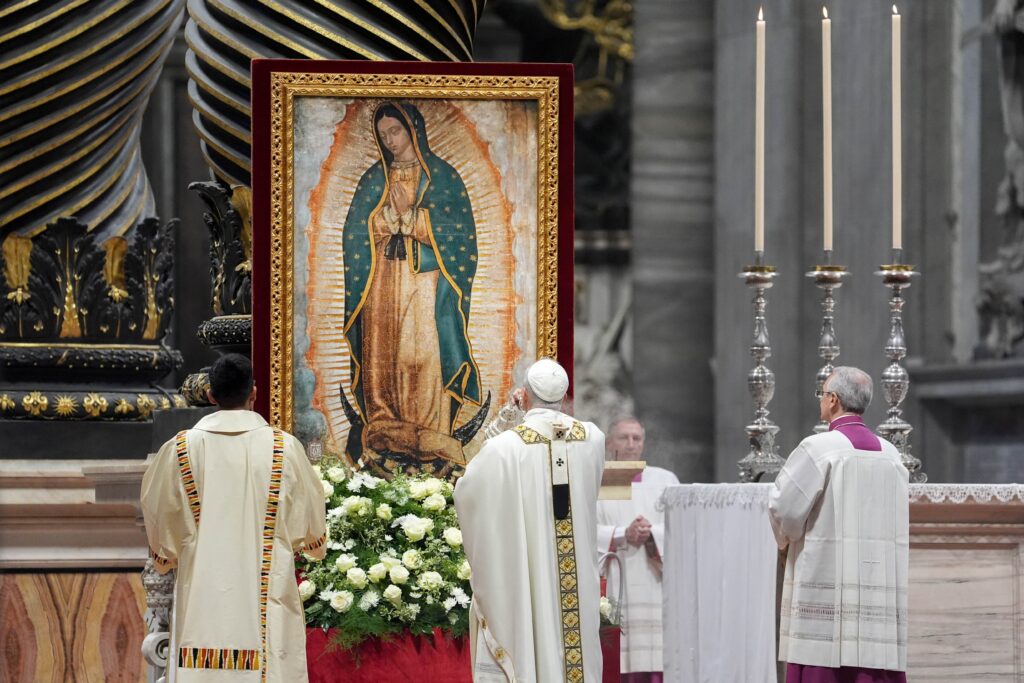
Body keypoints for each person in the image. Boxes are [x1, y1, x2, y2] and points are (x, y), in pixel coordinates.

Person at [141, 354, 327, 682]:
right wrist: (304, 544)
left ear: (211, 396)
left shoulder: (182, 450)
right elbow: (309, 527)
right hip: (266, 599)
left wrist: (167, 556)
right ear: (254, 392)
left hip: (202, 599)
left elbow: (161, 523)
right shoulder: (284, 449)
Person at [341, 101, 482, 469]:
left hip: (424, 281)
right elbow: (356, 233)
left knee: (419, 353)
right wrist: (386, 219)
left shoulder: (442, 177)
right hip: (383, 280)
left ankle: (431, 431)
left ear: (412, 130)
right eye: (383, 134)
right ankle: (385, 425)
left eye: (395, 131)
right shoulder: (375, 178)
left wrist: (414, 218)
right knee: (382, 352)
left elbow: (460, 238)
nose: (390, 140)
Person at [454, 358, 605, 683]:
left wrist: (506, 419)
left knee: (533, 639)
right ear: (565, 397)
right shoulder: (593, 439)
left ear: (522, 396)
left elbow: (466, 489)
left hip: (529, 572)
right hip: (576, 577)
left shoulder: (505, 448)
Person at [769, 366, 909, 683]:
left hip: (826, 581)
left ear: (832, 400)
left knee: (823, 660)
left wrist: (784, 540)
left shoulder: (819, 448)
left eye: (823, 394)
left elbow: (784, 509)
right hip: (876, 584)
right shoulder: (891, 455)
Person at [596, 417, 679, 683]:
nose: (631, 444)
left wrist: (652, 532)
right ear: (609, 443)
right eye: (623, 437)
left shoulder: (665, 479)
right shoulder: (600, 478)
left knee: (656, 658)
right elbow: (584, 530)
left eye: (637, 438)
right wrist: (623, 533)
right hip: (617, 577)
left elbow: (681, 527)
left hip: (654, 582)